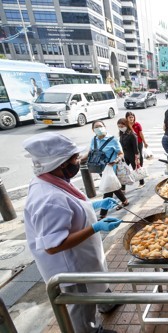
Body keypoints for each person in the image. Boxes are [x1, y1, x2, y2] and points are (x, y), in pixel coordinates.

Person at [23, 132, 123, 333]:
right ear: (60, 163)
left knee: (96, 281)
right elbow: (53, 246)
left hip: (84, 254)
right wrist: (96, 227)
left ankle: (106, 303)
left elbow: (71, 210)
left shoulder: (52, 180)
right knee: (80, 304)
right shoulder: (48, 198)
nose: (78, 162)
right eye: (75, 159)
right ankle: (88, 330)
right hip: (70, 266)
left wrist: (96, 205)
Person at [89, 121, 129, 218]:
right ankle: (125, 201)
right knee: (113, 186)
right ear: (93, 129)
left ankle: (103, 214)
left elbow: (121, 153)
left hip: (111, 168)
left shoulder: (113, 139)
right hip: (100, 168)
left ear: (105, 127)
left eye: (100, 126)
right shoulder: (94, 139)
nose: (99, 128)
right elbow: (91, 152)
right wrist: (81, 159)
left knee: (108, 189)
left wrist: (115, 160)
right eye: (96, 127)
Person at [126, 111, 147, 188]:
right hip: (129, 147)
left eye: (132, 117)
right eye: (129, 117)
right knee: (128, 164)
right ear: (126, 118)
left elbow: (141, 134)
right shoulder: (126, 126)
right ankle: (123, 185)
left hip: (138, 144)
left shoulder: (137, 125)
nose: (131, 118)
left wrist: (145, 142)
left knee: (138, 162)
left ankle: (142, 182)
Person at [117, 118, 139, 191]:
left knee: (136, 169)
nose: (120, 128)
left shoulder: (132, 134)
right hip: (125, 155)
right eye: (119, 127)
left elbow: (136, 147)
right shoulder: (122, 134)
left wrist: (137, 157)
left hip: (132, 155)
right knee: (123, 171)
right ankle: (123, 188)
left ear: (126, 125)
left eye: (122, 126)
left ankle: (141, 182)